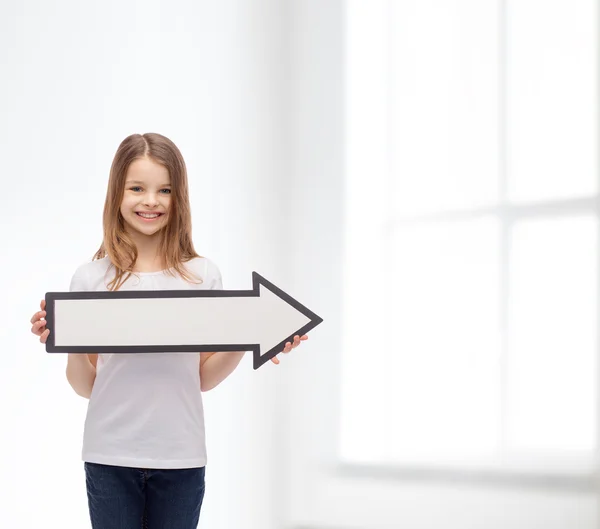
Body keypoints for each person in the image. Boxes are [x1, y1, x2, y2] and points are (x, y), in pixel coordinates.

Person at [29, 132, 308, 529]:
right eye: (137, 188)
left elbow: (203, 378)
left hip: (181, 456)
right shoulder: (91, 278)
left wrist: (251, 335)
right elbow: (85, 385)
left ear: (179, 198)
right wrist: (67, 338)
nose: (151, 201)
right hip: (109, 454)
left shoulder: (202, 276)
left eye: (165, 189)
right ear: (117, 194)